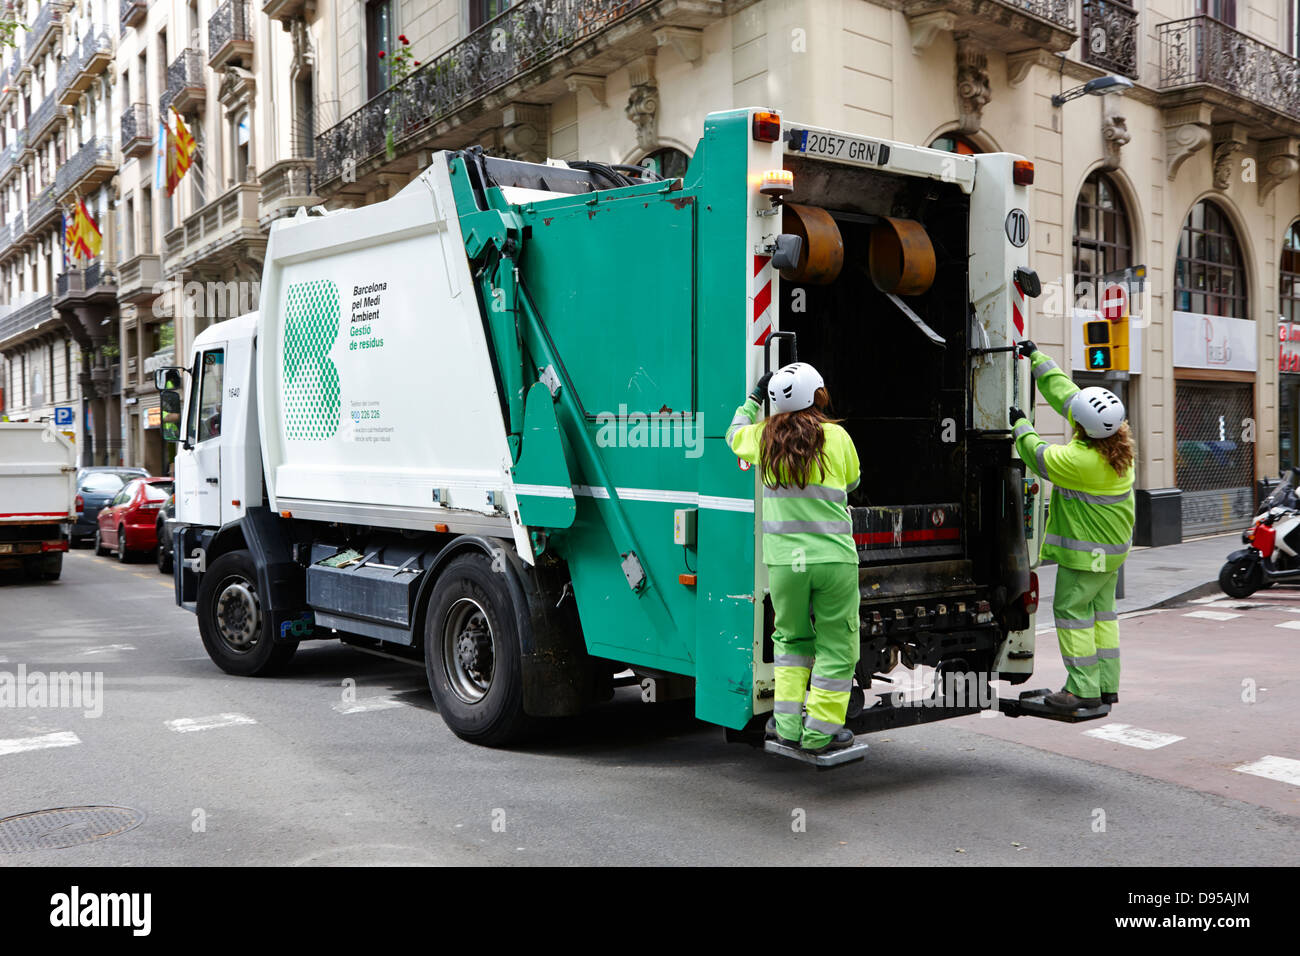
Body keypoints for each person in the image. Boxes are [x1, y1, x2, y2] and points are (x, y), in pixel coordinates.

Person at [726, 362, 863, 753]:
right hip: (834, 561)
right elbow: (853, 481)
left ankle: (786, 726)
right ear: (816, 396)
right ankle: (820, 732)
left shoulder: (763, 439)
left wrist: (754, 398)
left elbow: (733, 434)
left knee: (790, 639)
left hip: (786, 564)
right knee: (837, 644)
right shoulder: (837, 437)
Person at [1009, 340, 1135, 713]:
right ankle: (1106, 685)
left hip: (1085, 559)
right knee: (1102, 617)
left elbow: (1038, 454)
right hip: (1109, 557)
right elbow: (1071, 398)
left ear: (1083, 428)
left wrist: (1019, 423)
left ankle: (1082, 689)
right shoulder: (1119, 446)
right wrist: (1038, 359)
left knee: (1071, 614)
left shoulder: (1080, 461)